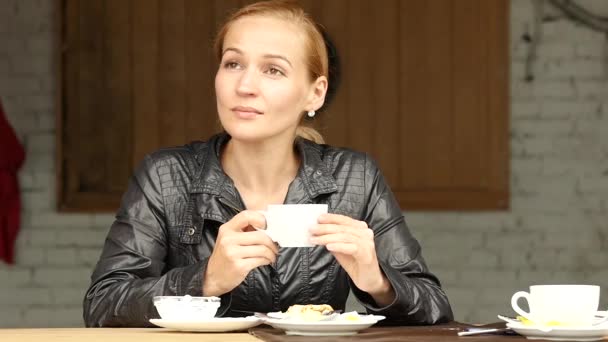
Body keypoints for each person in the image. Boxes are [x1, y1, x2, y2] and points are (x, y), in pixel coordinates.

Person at [83, 0, 453, 327]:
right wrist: (205, 281)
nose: (244, 85)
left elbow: (435, 306)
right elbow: (103, 304)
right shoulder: (166, 175)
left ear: (315, 92)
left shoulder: (354, 177)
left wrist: (377, 280)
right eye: (233, 63)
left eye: (272, 70)